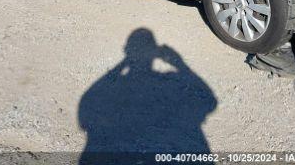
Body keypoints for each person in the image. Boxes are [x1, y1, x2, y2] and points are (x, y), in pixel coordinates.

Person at [78, 29, 217, 163]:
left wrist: (125, 61)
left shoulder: (113, 88)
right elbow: (210, 101)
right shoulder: (169, 79)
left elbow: (89, 101)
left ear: (126, 49)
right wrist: (180, 64)